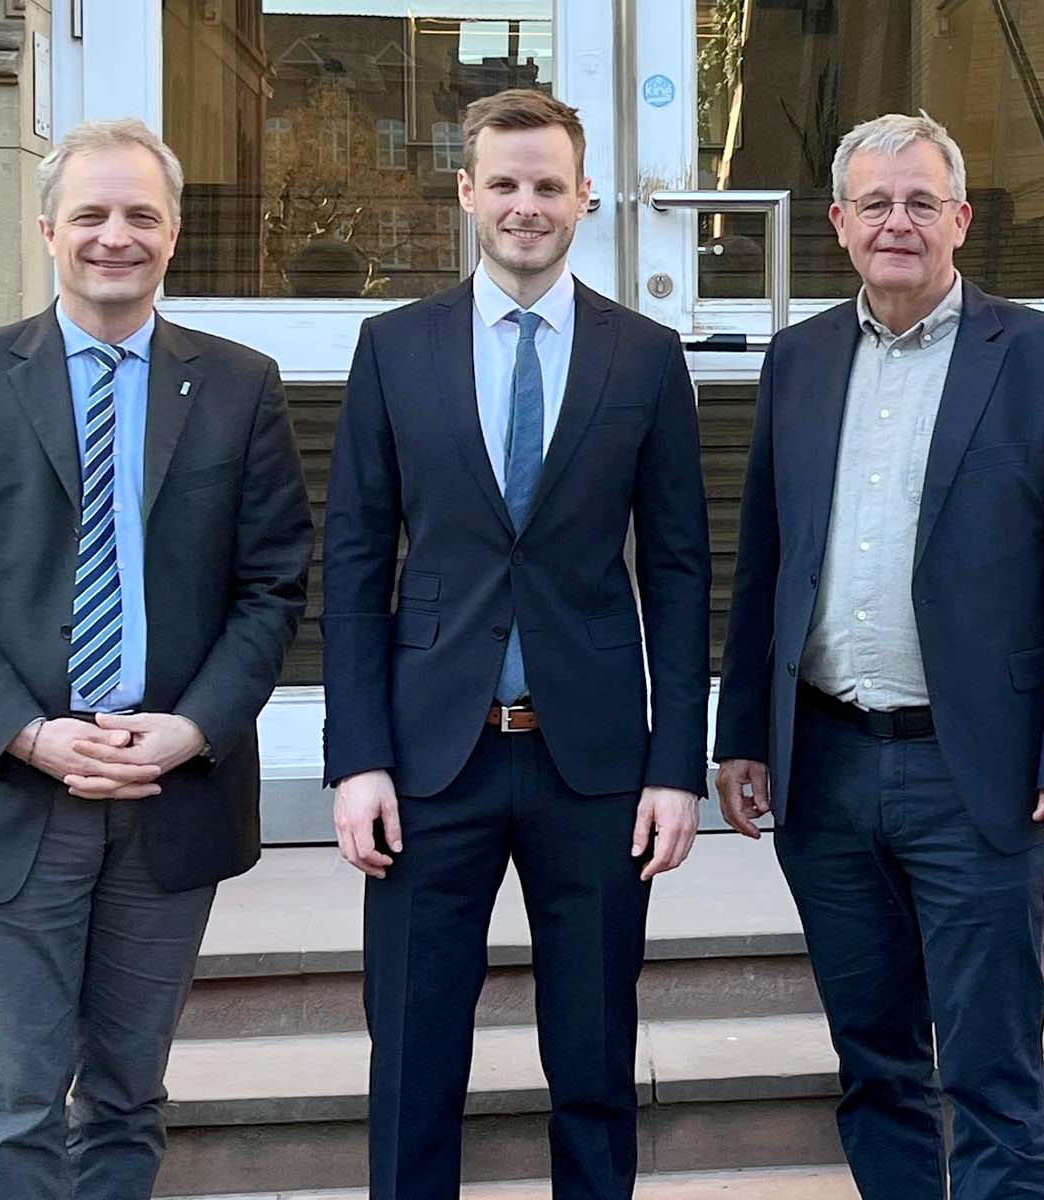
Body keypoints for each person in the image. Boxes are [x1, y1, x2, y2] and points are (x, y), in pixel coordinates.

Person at [0, 117, 312, 1199]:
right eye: (90, 215)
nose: (113, 236)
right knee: (16, 1106)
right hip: (13, 796)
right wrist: (31, 732)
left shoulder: (239, 385)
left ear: (174, 236)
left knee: (126, 1100)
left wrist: (193, 726)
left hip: (169, 794)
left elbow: (272, 587)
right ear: (47, 230)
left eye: (139, 216)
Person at [713, 112, 1044, 1199]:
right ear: (840, 223)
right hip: (829, 762)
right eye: (877, 204)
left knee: (991, 1067)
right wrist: (742, 733)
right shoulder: (799, 359)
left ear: (961, 221)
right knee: (876, 1056)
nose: (899, 222)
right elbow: (765, 559)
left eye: (921, 202)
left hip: (972, 769)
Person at [320, 88, 712, 1199]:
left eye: (548, 185)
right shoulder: (395, 349)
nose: (526, 206)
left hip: (589, 766)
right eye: (504, 184)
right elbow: (353, 565)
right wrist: (358, 758)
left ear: (584, 198)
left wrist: (674, 764)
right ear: (466, 193)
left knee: (592, 1058)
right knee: (413, 1056)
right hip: (429, 763)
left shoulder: (644, 357)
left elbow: (681, 574)